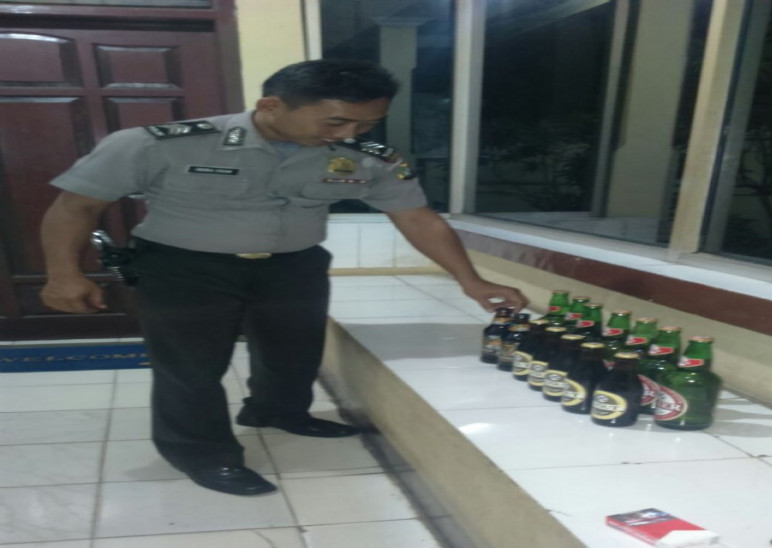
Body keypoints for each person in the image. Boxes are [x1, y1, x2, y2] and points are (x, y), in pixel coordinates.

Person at [40, 59, 528, 496]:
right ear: (271, 105)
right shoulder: (153, 145)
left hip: (293, 264)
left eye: (367, 123)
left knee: (293, 352)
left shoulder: (369, 158)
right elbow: (75, 207)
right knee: (190, 368)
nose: (349, 133)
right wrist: (63, 274)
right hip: (184, 267)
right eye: (336, 121)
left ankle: (278, 412)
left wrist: (471, 281)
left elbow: (417, 218)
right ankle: (201, 453)